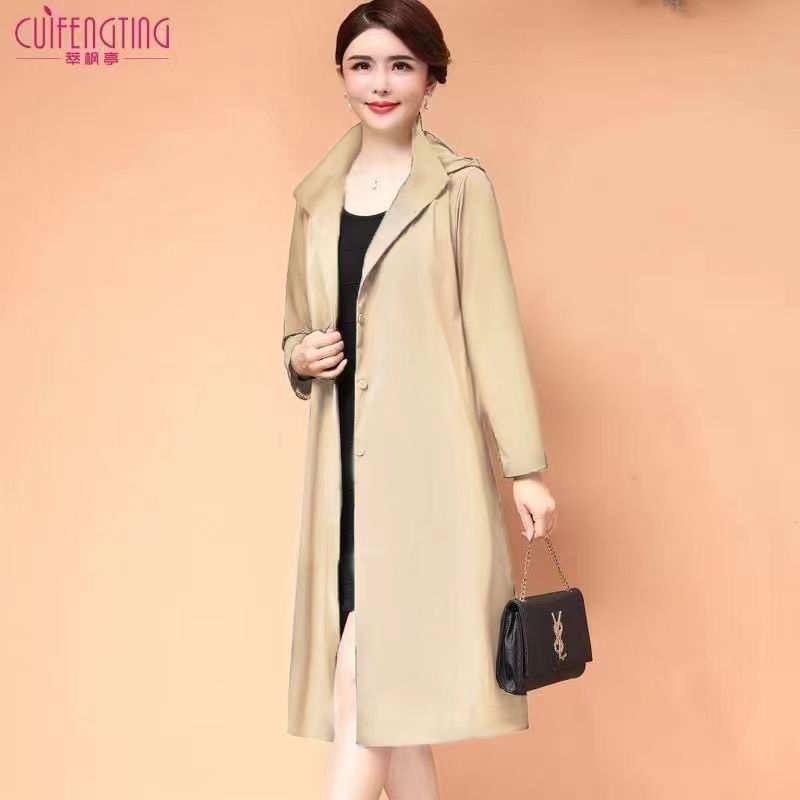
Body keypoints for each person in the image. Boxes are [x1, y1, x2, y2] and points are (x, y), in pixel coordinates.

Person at [281, 2, 558, 798]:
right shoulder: (315, 198)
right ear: (341, 78)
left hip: (426, 479)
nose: (380, 83)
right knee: (393, 718)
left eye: (400, 65)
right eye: (362, 65)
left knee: (370, 696)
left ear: (432, 77)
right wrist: (300, 354)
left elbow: (493, 331)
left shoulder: (459, 188)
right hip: (343, 484)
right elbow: (295, 326)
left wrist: (525, 467)